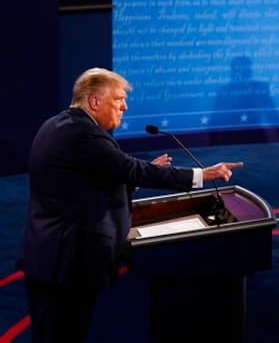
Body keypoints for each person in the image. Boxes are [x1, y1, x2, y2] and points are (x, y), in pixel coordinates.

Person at [16, 67, 244, 342]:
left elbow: (90, 180)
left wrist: (135, 173)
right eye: (118, 99)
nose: (124, 106)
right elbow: (132, 169)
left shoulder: (58, 124)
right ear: (94, 101)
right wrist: (202, 174)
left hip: (49, 256)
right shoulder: (85, 135)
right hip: (67, 263)